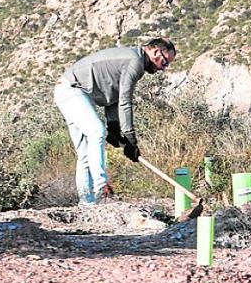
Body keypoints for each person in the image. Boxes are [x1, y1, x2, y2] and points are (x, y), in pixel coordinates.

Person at [53, 37, 176, 204]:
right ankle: (101, 189)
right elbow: (125, 100)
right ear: (155, 52)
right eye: (164, 62)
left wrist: (114, 128)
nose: (163, 68)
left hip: (69, 91)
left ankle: (87, 203)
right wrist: (131, 139)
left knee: (84, 152)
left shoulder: (134, 59)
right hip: (72, 90)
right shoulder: (135, 61)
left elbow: (113, 96)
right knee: (96, 132)